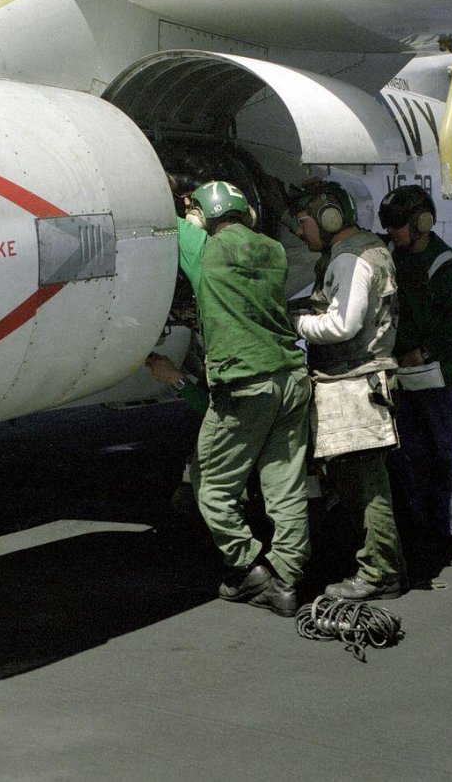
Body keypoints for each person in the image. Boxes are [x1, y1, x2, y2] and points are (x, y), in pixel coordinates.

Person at [176, 180, 311, 617]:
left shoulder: (205, 249)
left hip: (244, 384)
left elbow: (171, 224)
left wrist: (186, 213)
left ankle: (249, 566)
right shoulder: (274, 250)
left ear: (205, 216)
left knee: (212, 487)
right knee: (285, 486)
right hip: (290, 378)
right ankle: (287, 581)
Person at [291, 181, 406, 601]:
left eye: (303, 223)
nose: (299, 232)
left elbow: (343, 325)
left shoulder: (350, 259)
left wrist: (295, 325)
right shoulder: (371, 247)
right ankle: (374, 564)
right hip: (363, 381)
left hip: (353, 384)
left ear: (328, 218)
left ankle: (380, 573)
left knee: (365, 486)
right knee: (360, 483)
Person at [378, 184, 452, 578]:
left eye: (398, 225)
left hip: (435, 376)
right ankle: (419, 525)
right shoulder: (393, 257)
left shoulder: (445, 265)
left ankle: (451, 527)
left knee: (442, 453)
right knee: (408, 453)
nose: (392, 233)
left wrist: (425, 351)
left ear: (422, 222)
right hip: (403, 375)